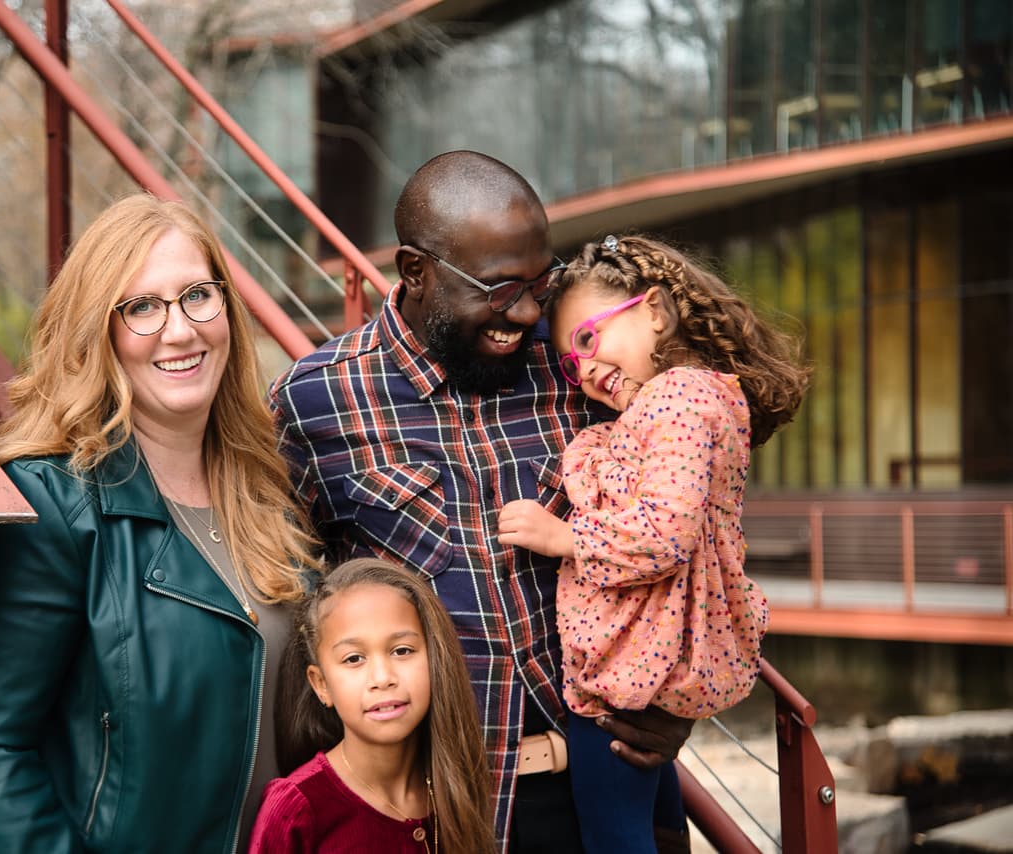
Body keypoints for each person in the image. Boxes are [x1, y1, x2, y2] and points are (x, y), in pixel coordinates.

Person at [269, 151, 695, 854]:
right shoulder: (314, 403)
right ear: (415, 272)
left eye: (541, 282)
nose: (528, 312)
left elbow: (673, 531)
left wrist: (679, 704)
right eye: (499, 290)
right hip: (433, 811)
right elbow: (287, 602)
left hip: (597, 790)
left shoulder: (576, 373)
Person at [0, 194, 318, 853]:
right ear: (98, 329)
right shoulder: (51, 502)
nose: (179, 330)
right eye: (141, 307)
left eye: (198, 295)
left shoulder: (268, 490)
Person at [497, 234, 811, 853]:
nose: (584, 369)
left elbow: (664, 533)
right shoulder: (687, 399)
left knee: (612, 832)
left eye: (588, 338)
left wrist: (563, 536)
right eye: (568, 363)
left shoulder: (678, 397)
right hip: (651, 659)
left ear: (657, 312)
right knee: (655, 825)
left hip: (629, 670)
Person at [249, 557, 493, 854]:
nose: (382, 678)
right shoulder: (298, 807)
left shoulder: (453, 784)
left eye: (402, 651)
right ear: (321, 684)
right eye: (354, 659)